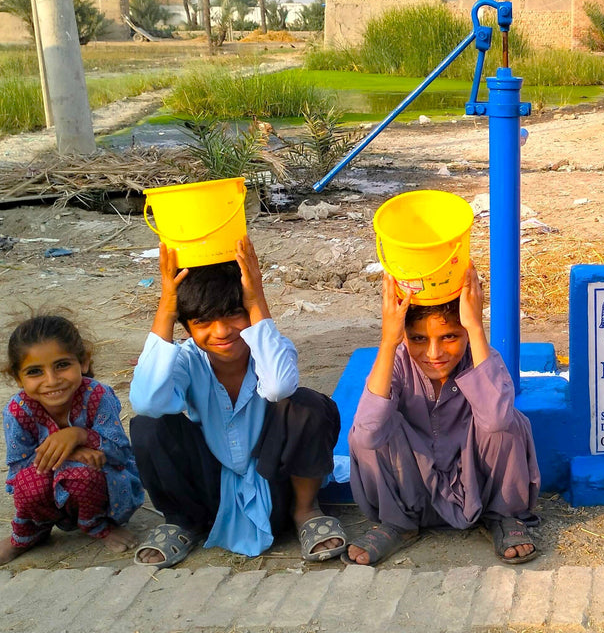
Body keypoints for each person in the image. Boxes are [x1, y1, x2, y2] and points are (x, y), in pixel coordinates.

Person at [129, 237, 345, 568]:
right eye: (202, 321)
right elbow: (146, 401)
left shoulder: (273, 349)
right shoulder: (187, 360)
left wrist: (256, 297)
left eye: (234, 314)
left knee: (307, 404)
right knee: (148, 424)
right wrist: (167, 306)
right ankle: (182, 522)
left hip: (275, 486)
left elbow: (278, 386)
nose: (222, 331)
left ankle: (306, 511)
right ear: (186, 327)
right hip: (209, 492)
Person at [346, 262, 540, 566]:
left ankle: (504, 516)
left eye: (449, 336)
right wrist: (388, 341)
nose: (434, 354)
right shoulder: (396, 362)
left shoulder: (483, 360)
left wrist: (475, 327)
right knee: (369, 428)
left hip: (476, 491)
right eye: (419, 339)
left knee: (507, 420)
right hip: (413, 491)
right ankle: (398, 524)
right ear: (405, 335)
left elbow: (498, 421)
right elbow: (369, 433)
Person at [0, 314, 143, 565]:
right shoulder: (17, 410)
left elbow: (121, 454)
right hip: (45, 489)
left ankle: (98, 525)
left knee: (81, 474)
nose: (52, 381)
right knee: (28, 480)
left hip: (104, 488)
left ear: (84, 361)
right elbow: (17, 469)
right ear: (17, 377)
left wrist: (80, 435)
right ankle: (31, 532)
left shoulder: (97, 396)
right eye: (35, 372)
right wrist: (71, 454)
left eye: (62, 365)